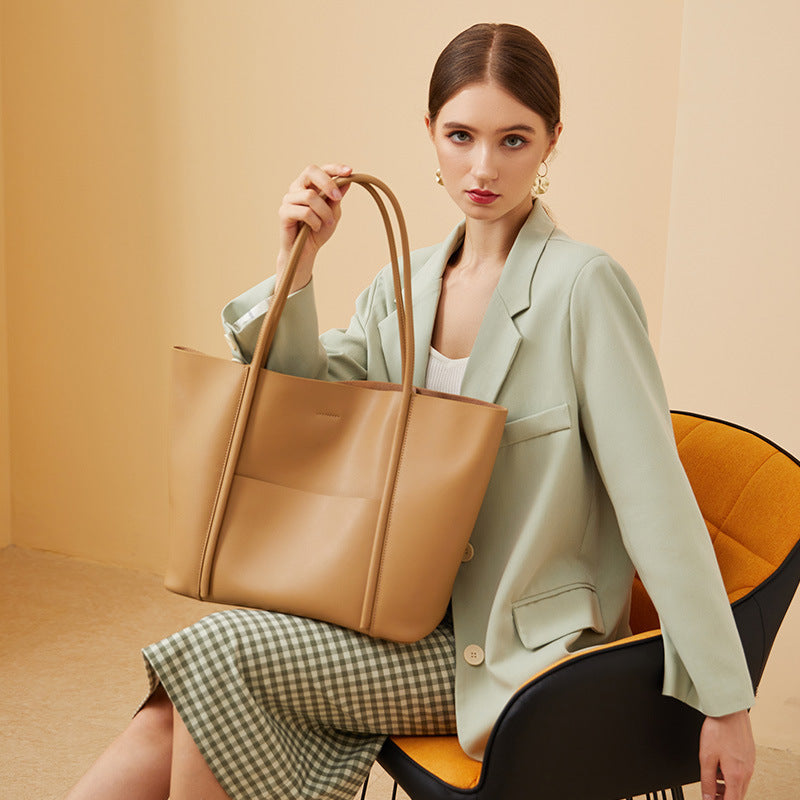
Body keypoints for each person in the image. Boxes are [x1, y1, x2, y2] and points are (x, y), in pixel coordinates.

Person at [66, 23, 756, 800]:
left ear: (553, 141)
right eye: (460, 135)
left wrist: (726, 697)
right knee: (181, 699)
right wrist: (299, 261)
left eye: (514, 139)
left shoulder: (582, 288)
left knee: (216, 657)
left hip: (505, 646)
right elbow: (305, 403)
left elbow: (654, 497)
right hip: (383, 606)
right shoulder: (407, 282)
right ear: (428, 132)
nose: (484, 166)